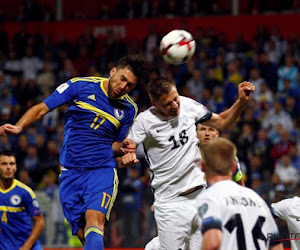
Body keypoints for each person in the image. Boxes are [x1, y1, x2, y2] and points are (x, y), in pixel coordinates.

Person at [0, 53, 146, 250]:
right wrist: (19, 127)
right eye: (122, 79)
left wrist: (123, 158)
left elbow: (116, 147)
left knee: (95, 222)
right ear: (113, 71)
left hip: (101, 171)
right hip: (70, 172)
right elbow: (43, 108)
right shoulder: (80, 86)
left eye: (130, 85)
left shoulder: (129, 109)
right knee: (85, 237)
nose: (123, 87)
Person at [121, 77, 255, 249]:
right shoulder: (144, 122)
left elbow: (222, 121)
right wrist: (126, 156)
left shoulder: (188, 106)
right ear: (155, 104)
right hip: (170, 204)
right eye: (168, 103)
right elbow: (124, 149)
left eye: (176, 98)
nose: (176, 105)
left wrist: (241, 101)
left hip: (200, 197)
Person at [198, 138, 283, 250]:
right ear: (234, 168)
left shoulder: (209, 198)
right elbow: (277, 245)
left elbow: (213, 242)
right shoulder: (256, 199)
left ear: (202, 166)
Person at [0, 150, 45, 249]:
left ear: (15, 167)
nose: (8, 167)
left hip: (28, 246)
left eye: (11, 164)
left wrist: (26, 246)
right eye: (4, 164)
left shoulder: (25, 192)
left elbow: (40, 221)